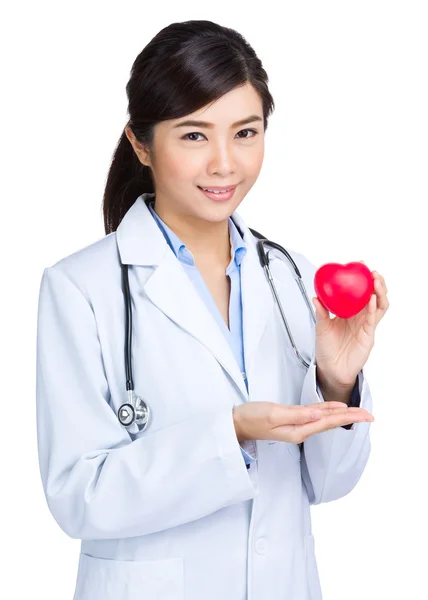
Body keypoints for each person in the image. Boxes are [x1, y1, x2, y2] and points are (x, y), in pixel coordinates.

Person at [35, 19, 389, 600]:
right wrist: (230, 433)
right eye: (195, 136)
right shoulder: (81, 287)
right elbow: (79, 497)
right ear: (141, 143)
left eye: (245, 133)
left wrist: (336, 380)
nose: (225, 163)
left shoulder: (293, 276)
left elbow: (330, 484)